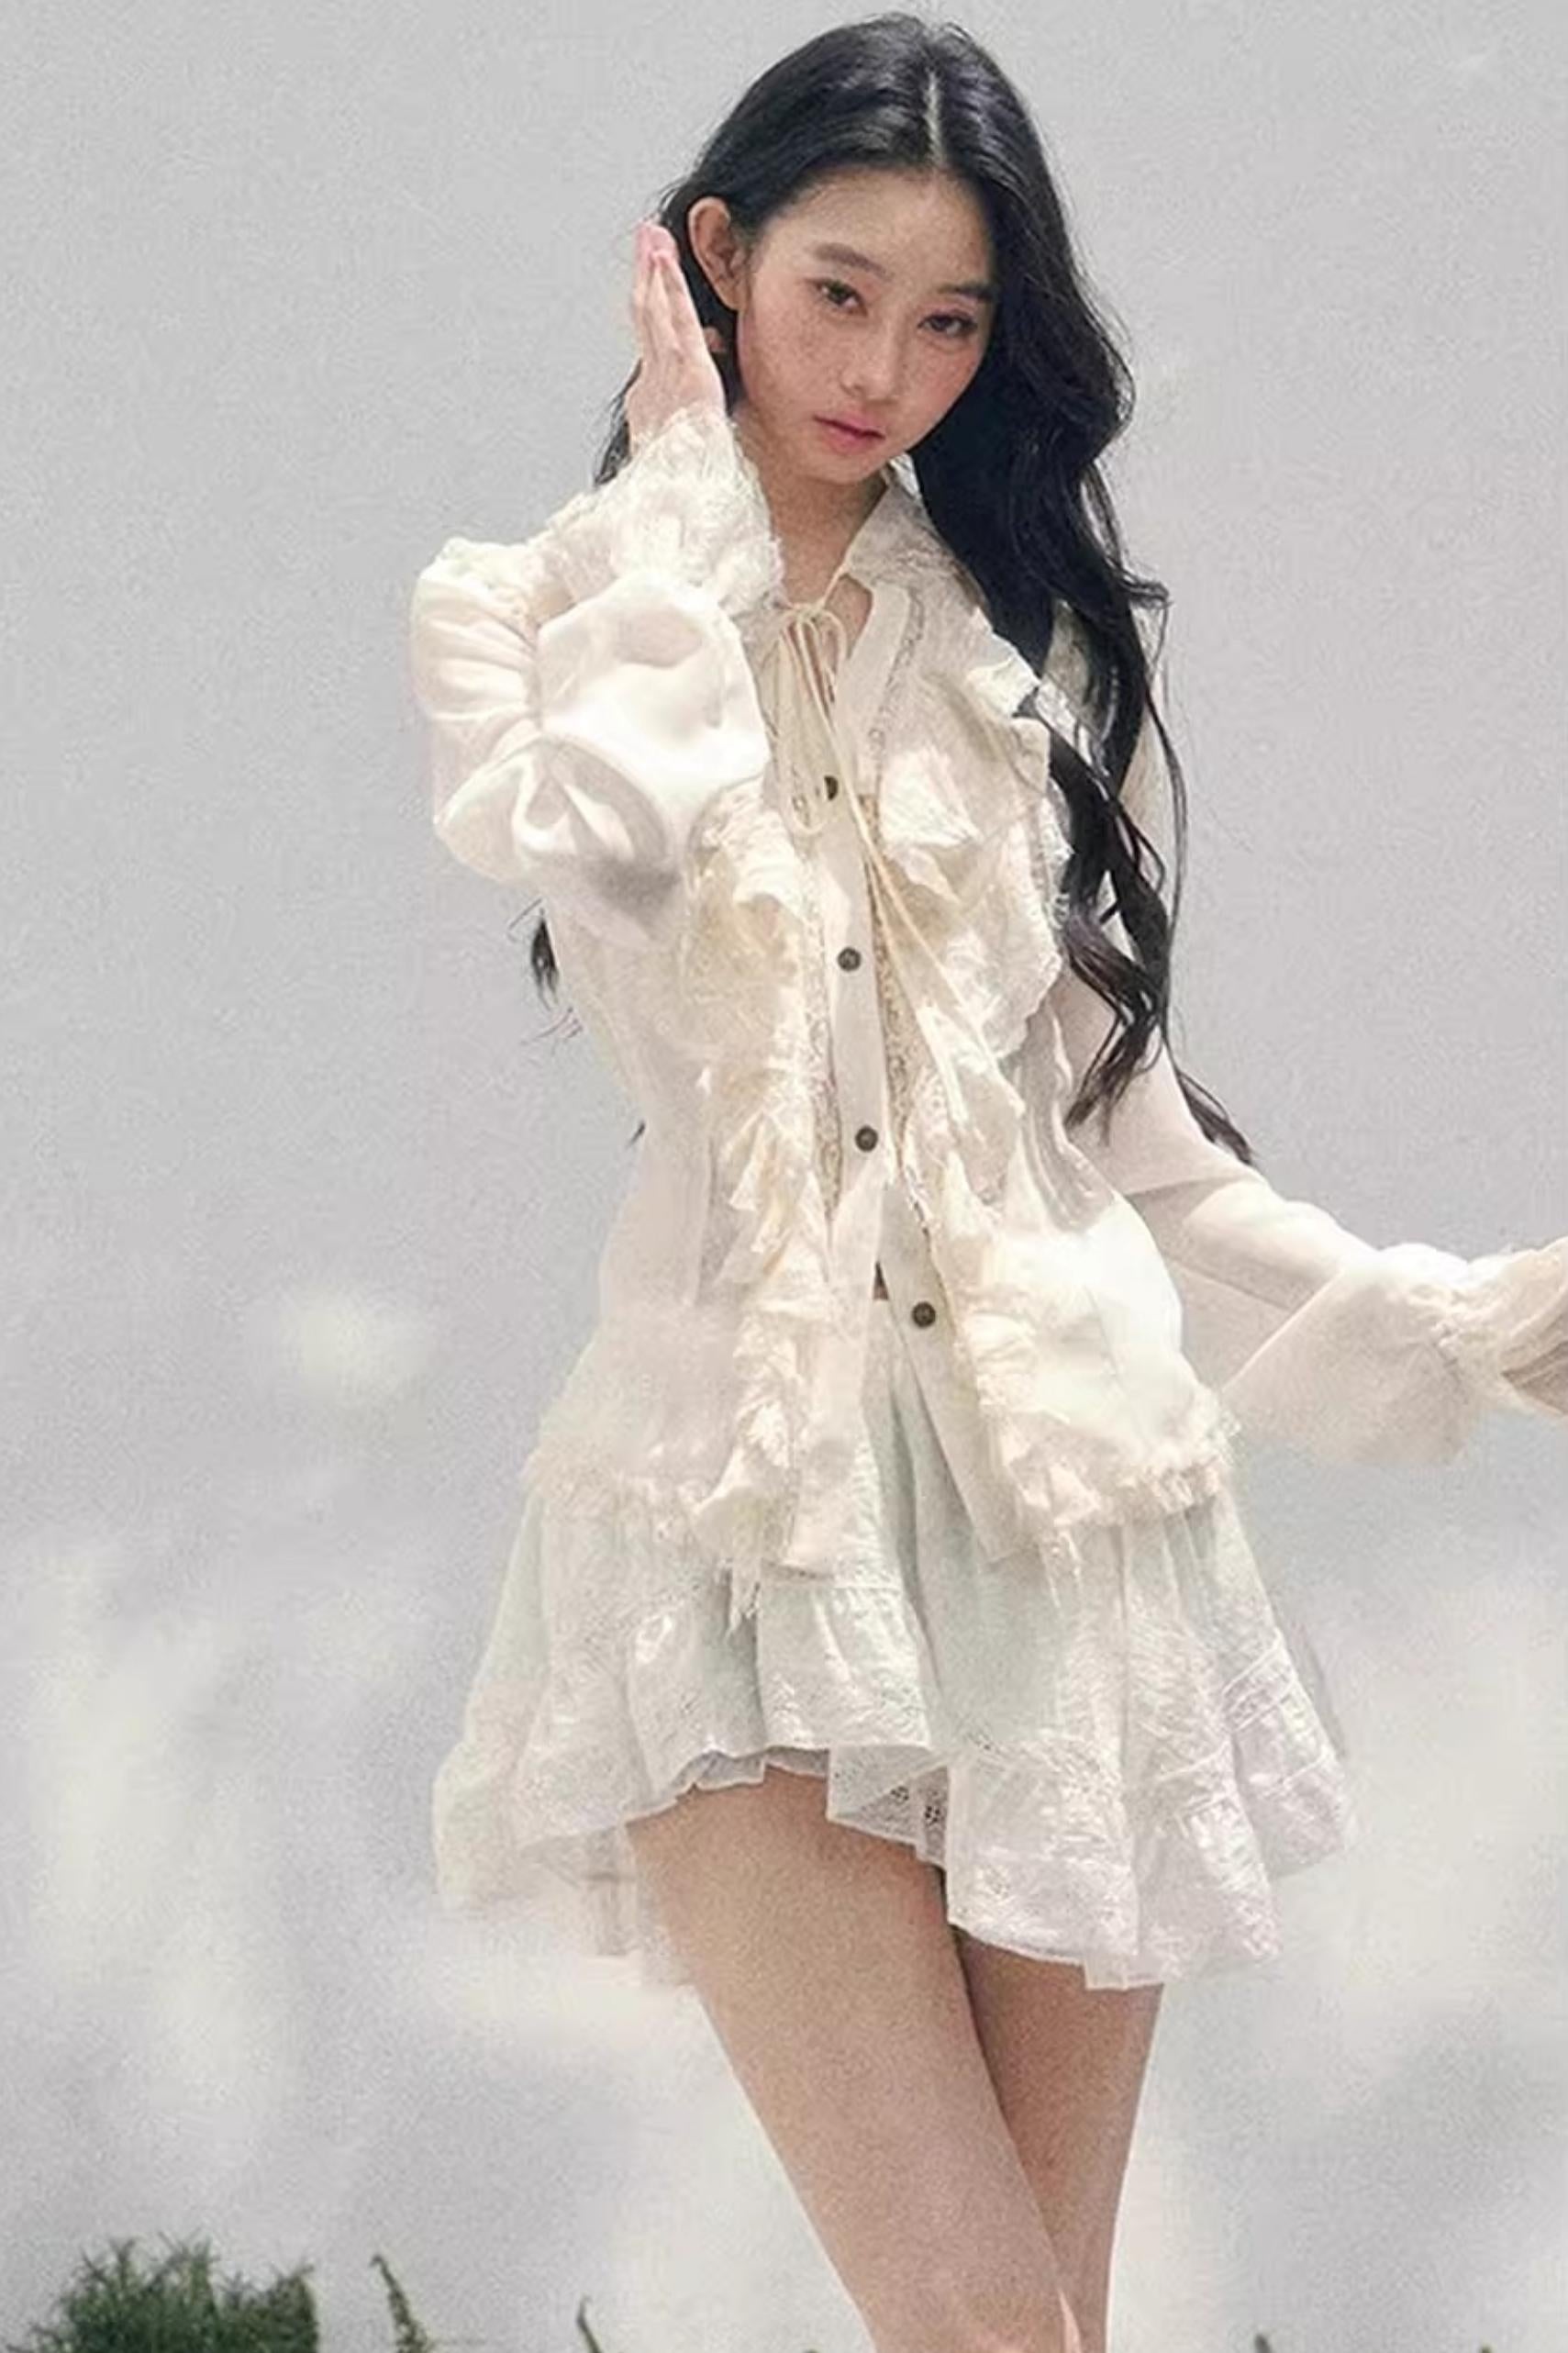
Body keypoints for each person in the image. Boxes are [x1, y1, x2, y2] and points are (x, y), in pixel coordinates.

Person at [406, 17, 1567, 2352]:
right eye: (838, 293)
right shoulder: (531, 615)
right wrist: (676, 505)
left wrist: (1471, 1326)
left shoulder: (1010, 653)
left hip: (1073, 1546)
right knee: (979, 2323)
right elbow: (605, 842)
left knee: (1047, 2327)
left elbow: (1122, 1158)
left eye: (949, 321)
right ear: (715, 259)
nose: (888, 372)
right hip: (743, 1543)